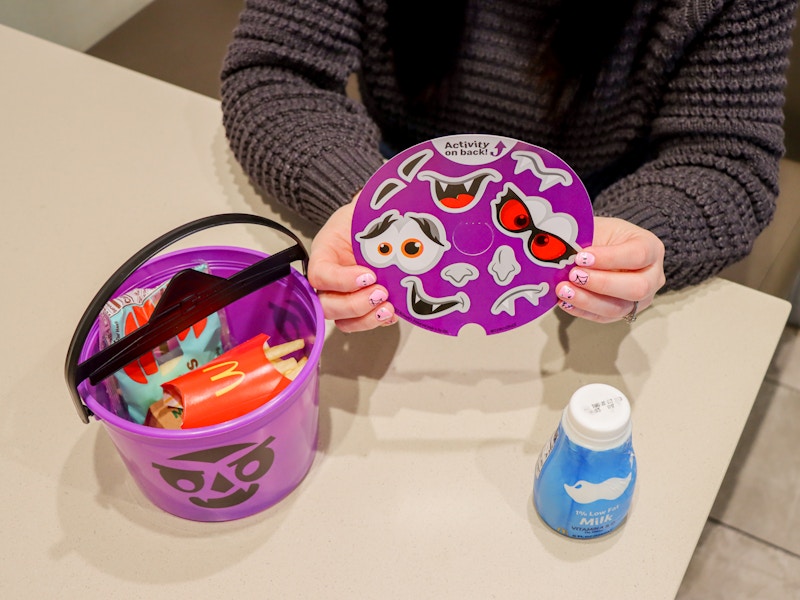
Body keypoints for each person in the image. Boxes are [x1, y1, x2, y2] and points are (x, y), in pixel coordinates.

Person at [221, 0, 798, 332]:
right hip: (397, 204)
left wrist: (636, 235)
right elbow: (277, 72)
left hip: (602, 212)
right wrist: (371, 202)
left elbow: (726, 154)